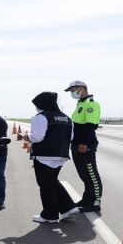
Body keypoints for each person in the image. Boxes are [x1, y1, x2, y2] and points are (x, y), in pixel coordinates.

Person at [22, 91, 79, 223]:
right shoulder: (66, 118)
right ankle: (68, 208)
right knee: (52, 182)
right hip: (61, 155)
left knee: (45, 185)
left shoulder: (41, 117)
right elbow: (71, 137)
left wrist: (27, 137)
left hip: (44, 155)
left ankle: (50, 215)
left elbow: (37, 137)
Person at [64, 80, 103, 213]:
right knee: (84, 174)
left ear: (81, 88)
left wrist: (84, 143)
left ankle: (95, 202)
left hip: (85, 145)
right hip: (76, 144)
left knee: (91, 174)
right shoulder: (81, 103)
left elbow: (90, 125)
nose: (72, 93)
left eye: (73, 90)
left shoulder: (91, 104)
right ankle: (86, 199)